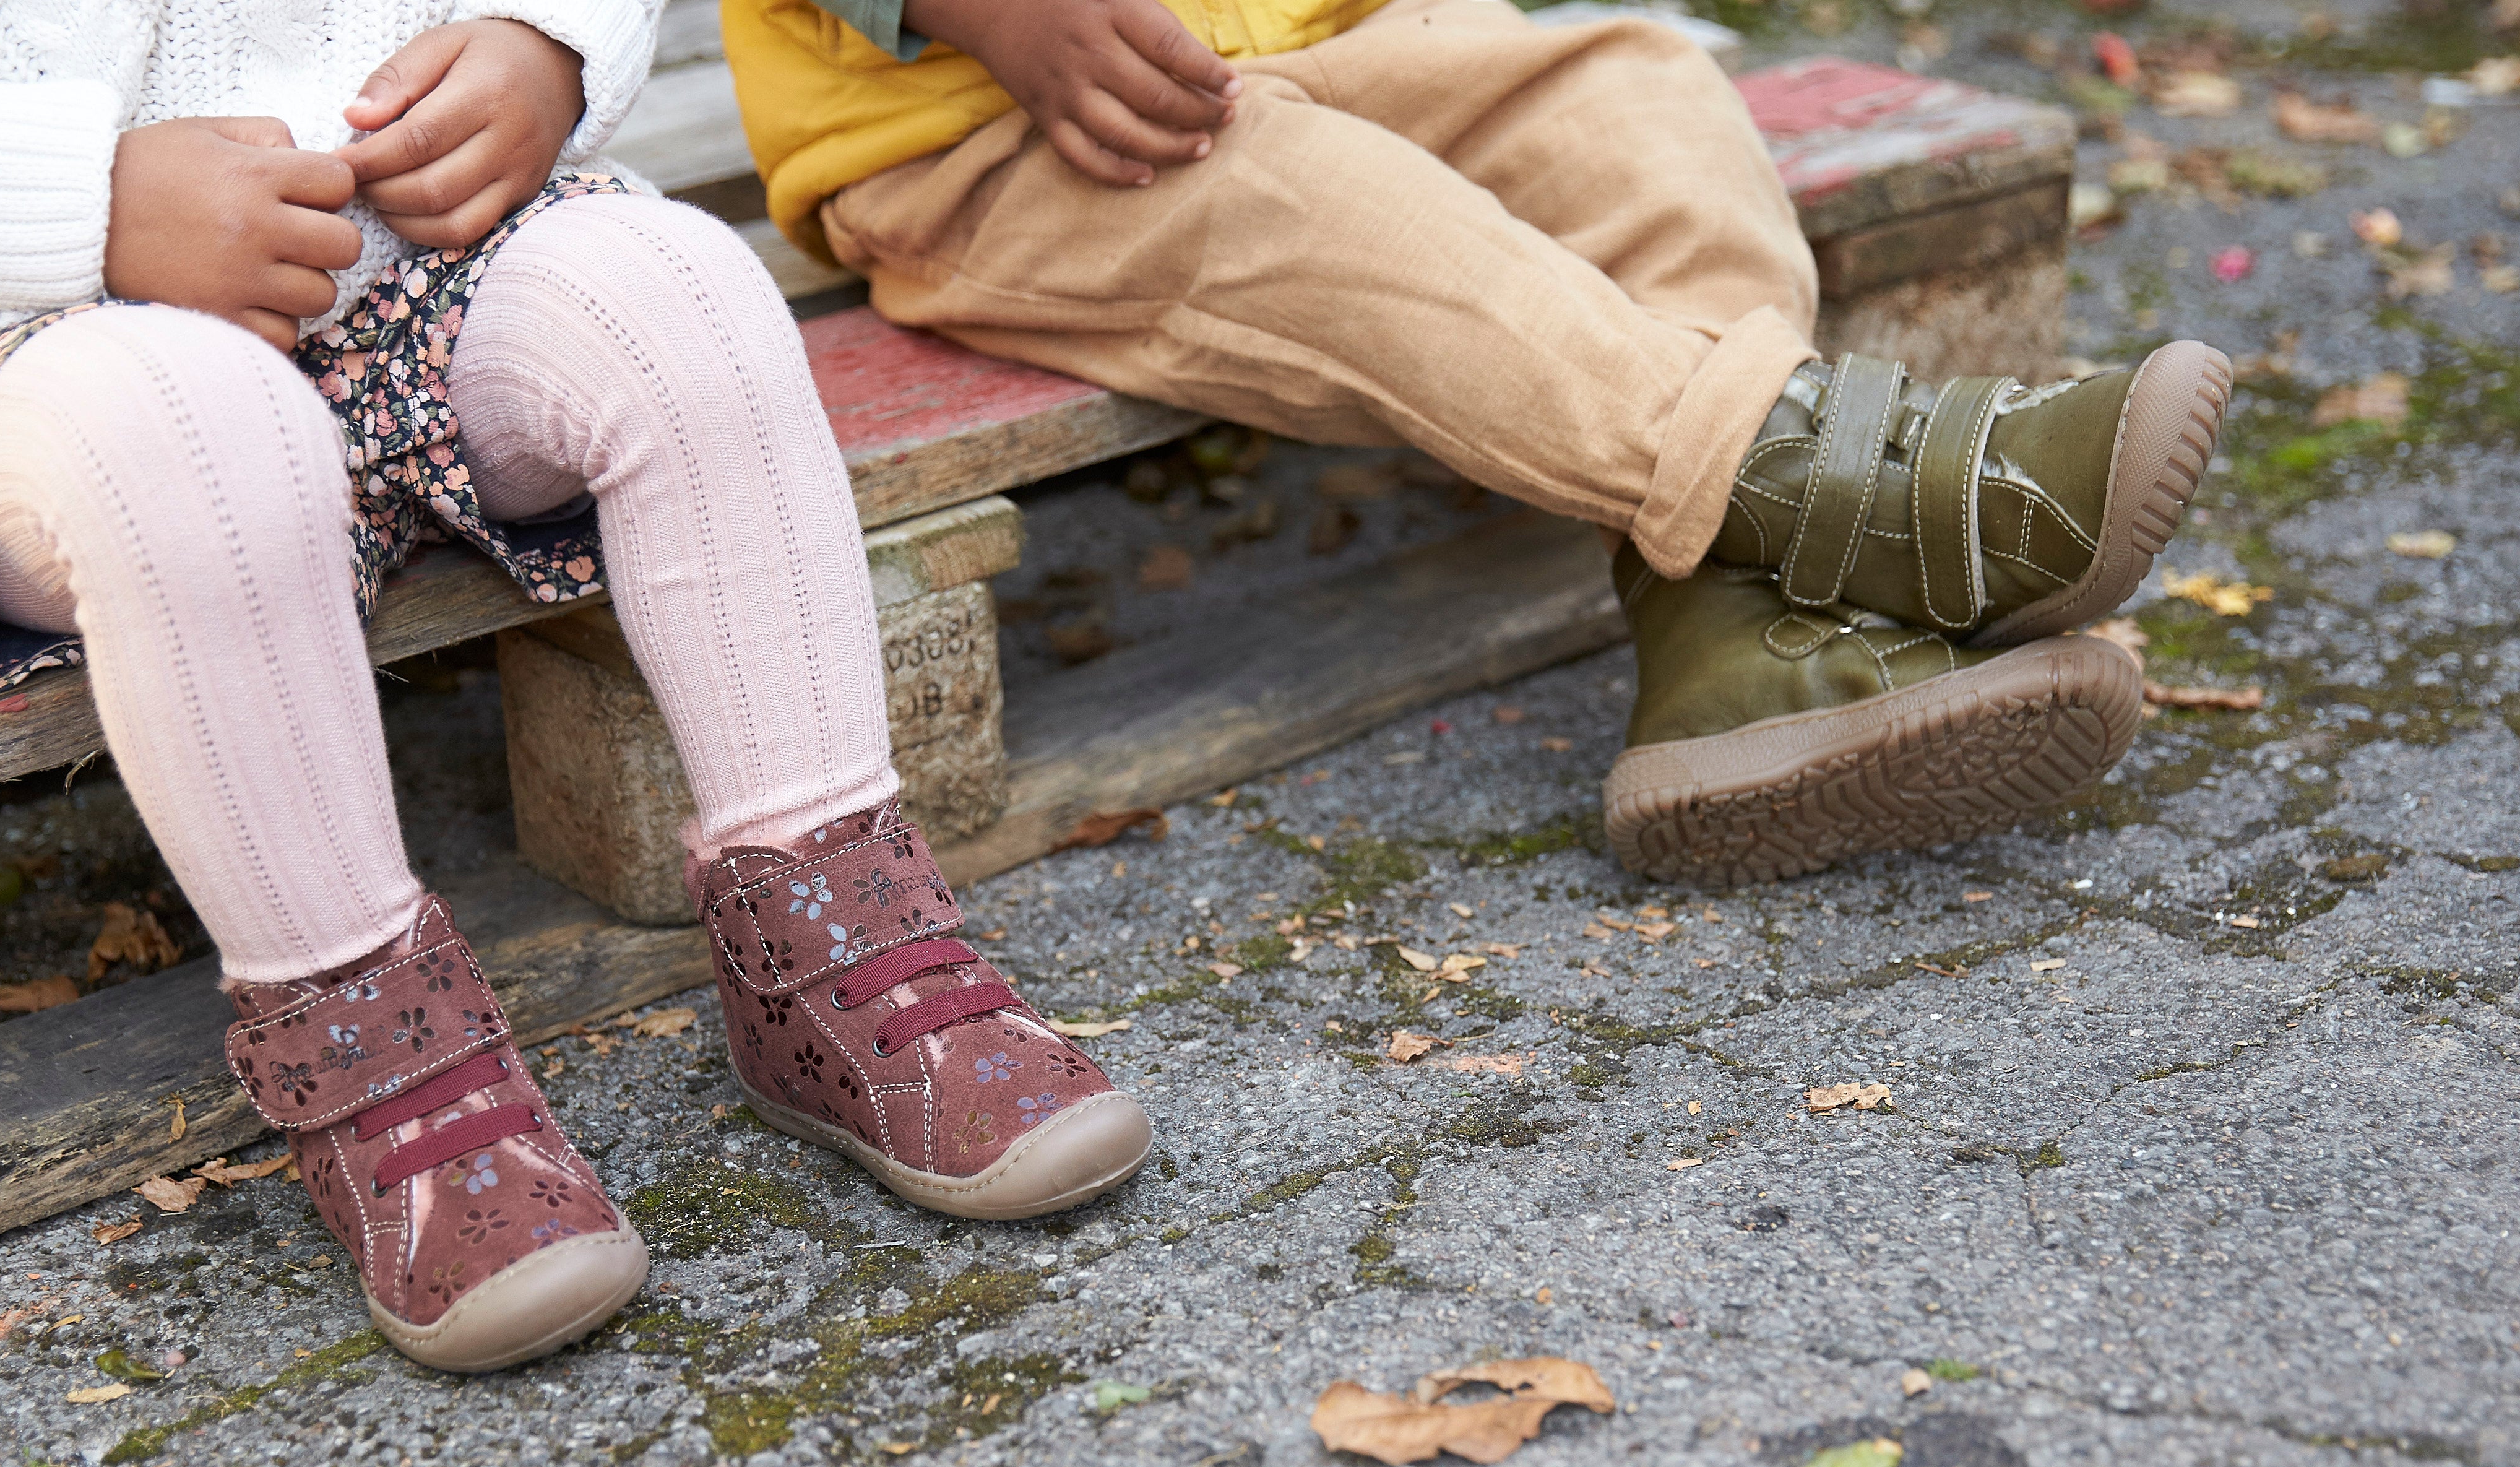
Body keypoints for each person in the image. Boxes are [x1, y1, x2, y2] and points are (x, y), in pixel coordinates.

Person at [0, 0, 1151, 1376]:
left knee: (681, 292)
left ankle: (833, 953)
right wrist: (79, 199)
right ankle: (383, 1064)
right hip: (6, 332)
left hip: (422, 251)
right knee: (192, 442)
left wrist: (546, 41)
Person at [720, 0, 2233, 883]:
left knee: (1634, 95)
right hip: (996, 123)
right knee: (1310, 215)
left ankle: (1732, 642)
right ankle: (1884, 486)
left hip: (1358, 38)